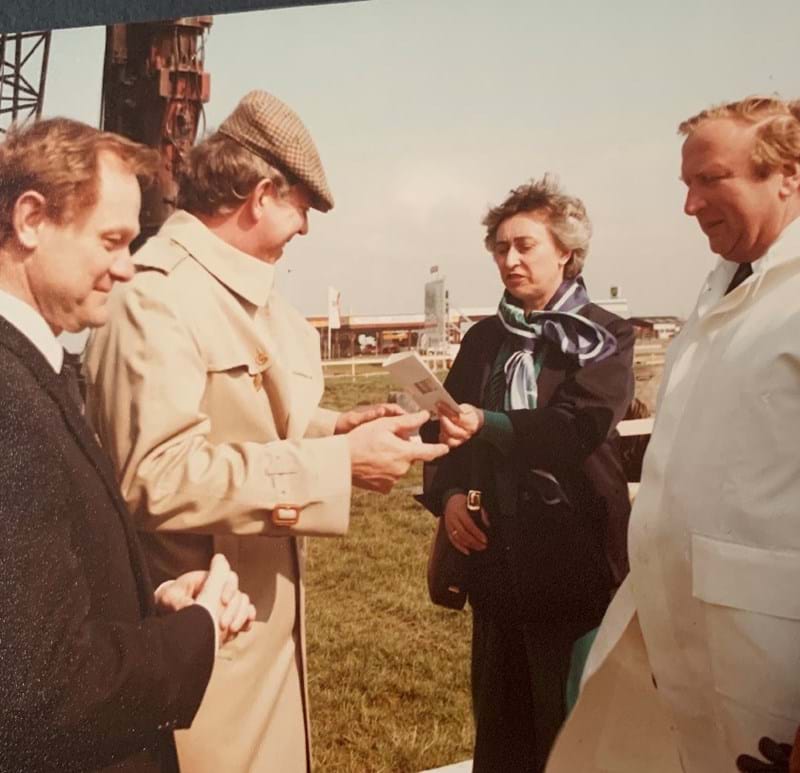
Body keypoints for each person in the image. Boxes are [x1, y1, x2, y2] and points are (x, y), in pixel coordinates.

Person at [83, 89, 448, 773]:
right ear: (260, 193)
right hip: (200, 650)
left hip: (258, 646)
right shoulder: (155, 296)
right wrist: (336, 464)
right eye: (301, 209)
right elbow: (155, 475)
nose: (304, 230)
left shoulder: (238, 293)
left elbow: (243, 420)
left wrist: (336, 425)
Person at [545, 96, 800, 773]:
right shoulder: (724, 287)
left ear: (788, 174)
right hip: (691, 649)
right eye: (686, 184)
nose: (689, 205)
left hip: (773, 671)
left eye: (711, 179)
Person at [0, 117, 255, 772]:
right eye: (111, 240)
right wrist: (197, 630)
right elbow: (52, 688)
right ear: (31, 220)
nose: (127, 265)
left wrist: (156, 604)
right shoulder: (10, 397)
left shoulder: (38, 368)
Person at [419, 175, 634, 772]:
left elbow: (575, 431)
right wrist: (453, 494)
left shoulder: (604, 336)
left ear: (565, 250)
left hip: (576, 560)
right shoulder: (486, 338)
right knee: (501, 727)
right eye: (500, 248)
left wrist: (485, 421)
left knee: (570, 730)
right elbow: (444, 429)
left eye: (525, 246)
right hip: (495, 561)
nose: (509, 260)